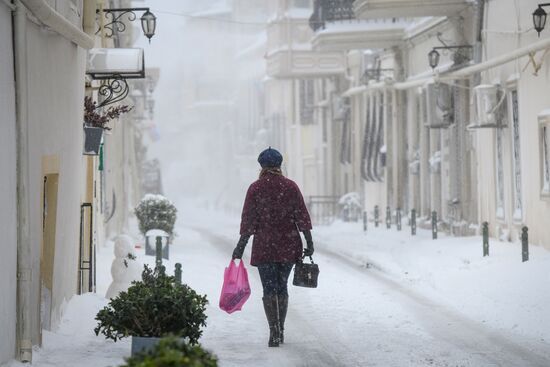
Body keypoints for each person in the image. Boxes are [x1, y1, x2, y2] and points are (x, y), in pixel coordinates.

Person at [232, 147, 314, 348]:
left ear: (262, 166)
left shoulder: (255, 188)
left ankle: (274, 331)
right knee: (282, 287)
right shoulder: (291, 187)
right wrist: (309, 242)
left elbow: (248, 221)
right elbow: (302, 216)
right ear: (279, 165)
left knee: (269, 288)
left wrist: (240, 247)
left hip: (265, 247)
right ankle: (281, 329)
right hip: (288, 245)